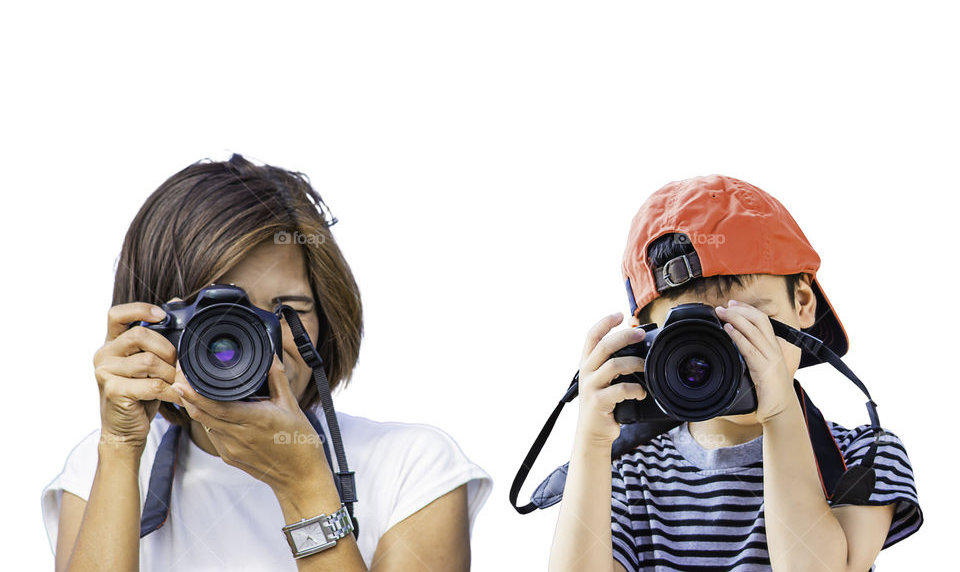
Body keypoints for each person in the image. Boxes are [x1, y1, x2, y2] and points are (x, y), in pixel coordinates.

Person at [42, 154, 491, 571]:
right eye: (218, 316)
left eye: (285, 309)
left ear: (327, 314)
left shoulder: (414, 468)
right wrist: (119, 450)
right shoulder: (102, 467)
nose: (255, 341)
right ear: (152, 326)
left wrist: (304, 486)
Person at [548, 175, 922, 572]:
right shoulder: (627, 471)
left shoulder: (862, 458)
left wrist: (780, 414)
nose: (733, 354)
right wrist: (590, 446)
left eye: (750, 323)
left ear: (803, 302)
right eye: (697, 337)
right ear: (647, 342)